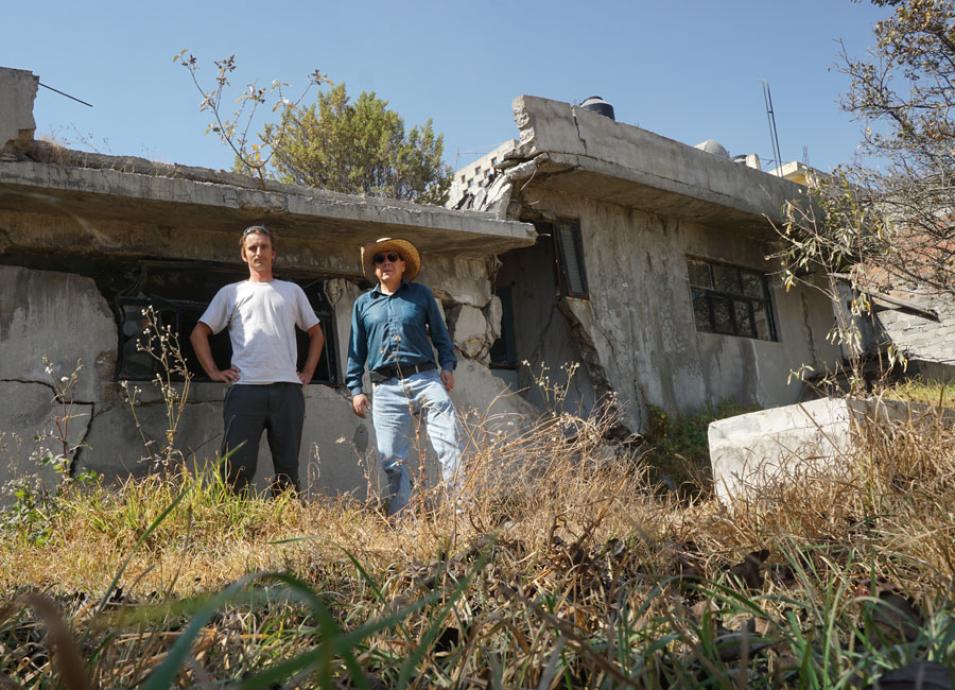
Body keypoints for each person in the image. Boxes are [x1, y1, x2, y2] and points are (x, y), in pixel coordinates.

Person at [190, 225, 324, 493]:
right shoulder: (231, 292)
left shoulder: (292, 291)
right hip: (245, 390)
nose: (258, 252)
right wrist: (214, 371)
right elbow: (199, 333)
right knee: (236, 467)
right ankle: (232, 523)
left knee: (288, 469)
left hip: (287, 390)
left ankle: (283, 524)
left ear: (274, 253)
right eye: (252, 248)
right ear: (244, 255)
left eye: (264, 246)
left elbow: (316, 334)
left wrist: (308, 371)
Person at [346, 237, 462, 515]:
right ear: (375, 268)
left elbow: (440, 335)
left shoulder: (421, 295)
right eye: (379, 259)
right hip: (385, 387)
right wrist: (356, 389)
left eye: (392, 257)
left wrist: (447, 366)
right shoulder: (363, 305)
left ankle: (462, 514)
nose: (386, 262)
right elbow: (355, 350)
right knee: (391, 460)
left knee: (450, 446)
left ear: (402, 263)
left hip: (425, 378)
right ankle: (403, 520)